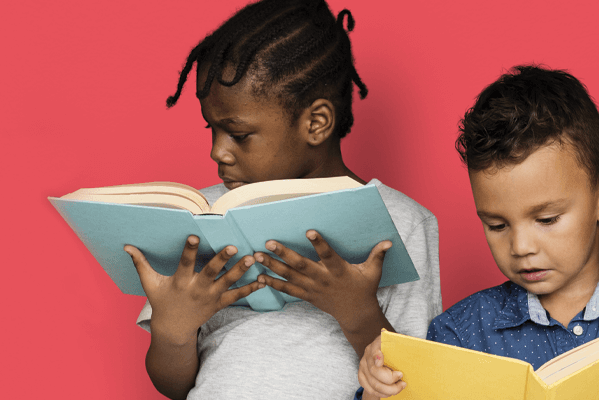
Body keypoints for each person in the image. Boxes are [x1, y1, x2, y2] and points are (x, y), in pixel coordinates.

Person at [355, 65, 599, 400]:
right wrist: (378, 391)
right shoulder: (459, 334)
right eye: (497, 225)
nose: (521, 247)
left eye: (547, 219)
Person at [125, 1, 441, 398]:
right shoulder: (202, 218)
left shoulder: (404, 222)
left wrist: (356, 311)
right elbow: (173, 385)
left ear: (316, 123)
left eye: (238, 134)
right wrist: (173, 330)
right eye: (212, 129)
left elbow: (417, 385)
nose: (217, 152)